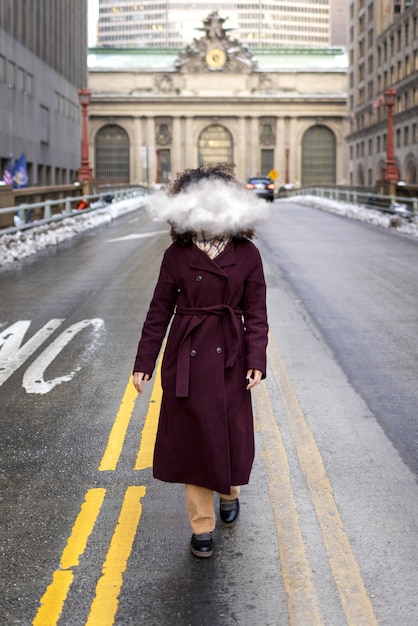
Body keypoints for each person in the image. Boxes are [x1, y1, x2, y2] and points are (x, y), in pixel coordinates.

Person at [132, 163, 268, 558]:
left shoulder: (247, 254)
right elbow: (158, 311)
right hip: (186, 358)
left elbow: (256, 311)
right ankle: (201, 527)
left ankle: (229, 492)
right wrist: (145, 361)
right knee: (194, 441)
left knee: (226, 435)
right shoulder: (177, 254)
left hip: (231, 354)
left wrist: (255, 357)